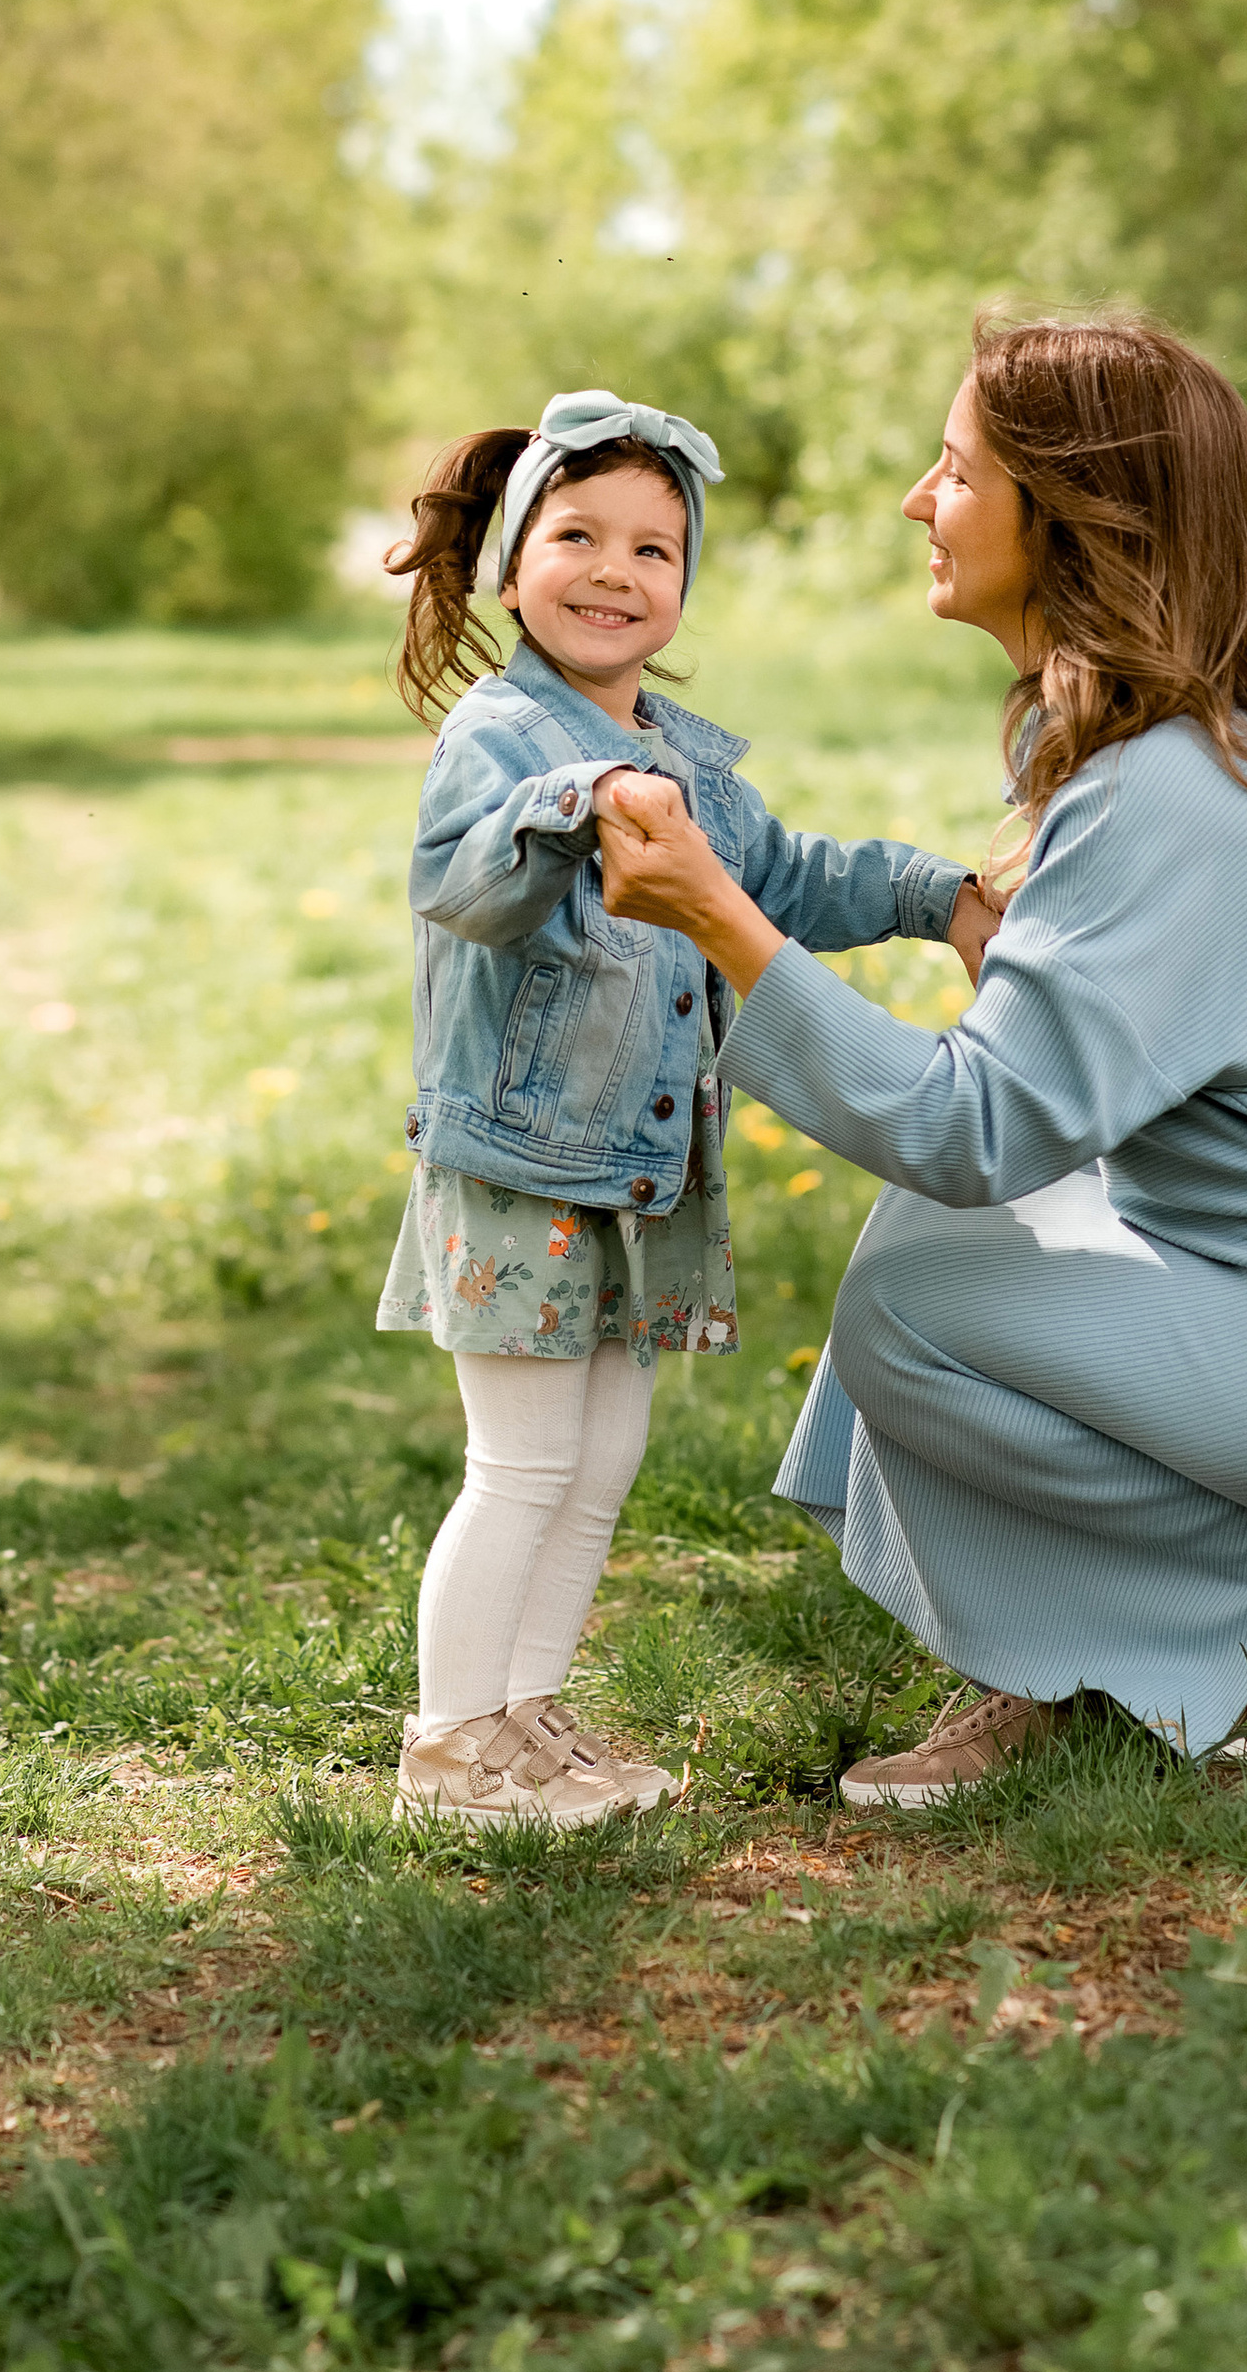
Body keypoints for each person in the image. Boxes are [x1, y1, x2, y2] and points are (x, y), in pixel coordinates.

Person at [593, 312, 1247, 1796]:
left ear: (1067, 520)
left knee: (918, 1295)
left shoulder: (1167, 798)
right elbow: (1009, 1124)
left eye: (953, 469)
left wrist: (725, 924)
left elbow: (970, 1127)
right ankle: (1064, 1660)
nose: (919, 501)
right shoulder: (1186, 758)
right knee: (939, 1238)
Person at [377, 387, 994, 1825]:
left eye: (655, 549)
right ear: (516, 557)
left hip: (646, 1171)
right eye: (579, 535)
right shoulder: (501, 737)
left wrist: (931, 895)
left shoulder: (690, 759)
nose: (614, 571)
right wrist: (572, 800)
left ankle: (528, 1719)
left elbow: (788, 878)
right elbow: (458, 884)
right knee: (521, 1459)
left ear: (685, 582)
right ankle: (451, 1744)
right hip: (525, 1166)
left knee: (601, 1461)